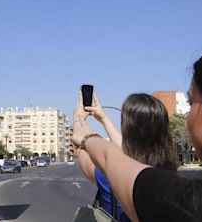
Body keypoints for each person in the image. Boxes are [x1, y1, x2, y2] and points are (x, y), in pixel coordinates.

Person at [72, 36, 202, 222]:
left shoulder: (197, 205)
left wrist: (83, 131)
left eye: (191, 103)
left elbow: (111, 160)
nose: (189, 116)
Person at [75, 92, 178, 221]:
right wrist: (104, 119)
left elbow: (83, 156)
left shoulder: (114, 177)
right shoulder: (171, 180)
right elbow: (126, 151)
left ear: (127, 130)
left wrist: (78, 119)